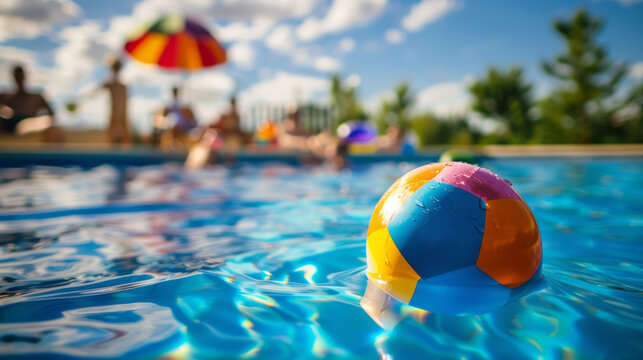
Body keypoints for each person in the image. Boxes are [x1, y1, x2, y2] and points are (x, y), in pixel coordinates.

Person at [68, 58, 129, 145]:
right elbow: (95, 93)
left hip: (122, 113)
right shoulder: (111, 83)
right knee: (112, 134)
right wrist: (80, 99)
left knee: (124, 134)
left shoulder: (122, 85)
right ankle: (108, 150)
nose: (116, 69)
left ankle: (124, 152)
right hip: (115, 112)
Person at [0, 65, 61, 141]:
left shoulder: (36, 97)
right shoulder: (5, 96)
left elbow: (51, 115)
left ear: (24, 76)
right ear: (13, 76)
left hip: (30, 124)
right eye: (17, 75)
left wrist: (38, 120)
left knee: (47, 120)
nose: (19, 78)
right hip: (8, 125)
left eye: (20, 75)